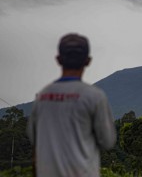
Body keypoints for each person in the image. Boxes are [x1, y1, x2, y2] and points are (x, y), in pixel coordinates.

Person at [27, 33, 116, 177]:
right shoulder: (94, 97)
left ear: (58, 59)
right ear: (88, 61)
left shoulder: (43, 96)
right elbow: (107, 141)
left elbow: (33, 138)